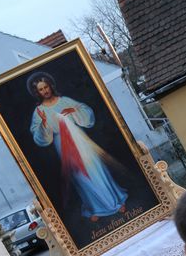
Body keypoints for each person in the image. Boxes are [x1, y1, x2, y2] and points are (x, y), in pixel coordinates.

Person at [28, 72, 128, 222]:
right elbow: (38, 136)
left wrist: (74, 111)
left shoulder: (64, 101)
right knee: (79, 176)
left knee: (95, 169)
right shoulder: (39, 111)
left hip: (79, 139)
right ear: (37, 92)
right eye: (41, 89)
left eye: (46, 87)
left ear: (50, 86)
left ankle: (115, 201)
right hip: (62, 144)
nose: (45, 91)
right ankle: (94, 208)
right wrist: (43, 123)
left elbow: (86, 113)